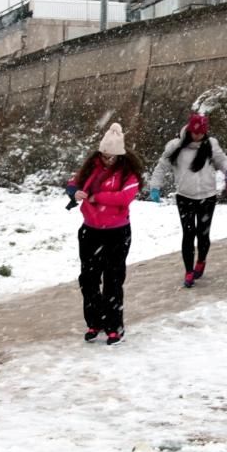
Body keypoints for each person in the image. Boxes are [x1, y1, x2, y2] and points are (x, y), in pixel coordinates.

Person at [66, 123, 144, 345]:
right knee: (88, 279)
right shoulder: (91, 168)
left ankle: (114, 327)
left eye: (112, 156)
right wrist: (75, 193)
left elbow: (123, 198)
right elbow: (73, 184)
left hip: (117, 233)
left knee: (113, 280)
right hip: (90, 231)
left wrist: (95, 197)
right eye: (105, 155)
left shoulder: (128, 174)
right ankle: (95, 322)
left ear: (120, 155)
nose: (108, 159)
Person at [148, 112, 227, 288]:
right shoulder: (175, 146)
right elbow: (161, 166)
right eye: (195, 132)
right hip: (185, 197)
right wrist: (155, 186)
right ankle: (188, 271)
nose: (198, 136)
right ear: (189, 130)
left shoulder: (211, 145)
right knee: (188, 234)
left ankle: (201, 260)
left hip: (207, 196)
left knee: (203, 234)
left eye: (201, 133)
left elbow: (222, 161)